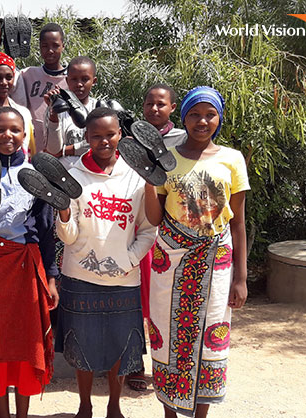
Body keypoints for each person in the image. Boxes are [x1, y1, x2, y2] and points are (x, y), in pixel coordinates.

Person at [143, 86, 250, 418]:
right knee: (168, 334)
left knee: (208, 336)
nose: (202, 121)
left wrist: (241, 279)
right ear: (183, 117)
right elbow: (155, 218)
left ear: (219, 118)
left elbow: (238, 224)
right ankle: (170, 414)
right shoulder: (167, 159)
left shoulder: (231, 159)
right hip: (171, 263)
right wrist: (149, 180)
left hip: (217, 263)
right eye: (194, 114)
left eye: (210, 114)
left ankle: (201, 414)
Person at [55, 107, 156, 418]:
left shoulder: (137, 177)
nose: (103, 141)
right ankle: (84, 405)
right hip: (79, 276)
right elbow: (68, 237)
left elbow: (149, 228)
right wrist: (62, 212)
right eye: (96, 135)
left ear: (120, 136)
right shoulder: (72, 177)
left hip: (124, 279)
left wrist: (129, 259)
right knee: (82, 348)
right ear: (86, 138)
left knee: (120, 347)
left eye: (110, 134)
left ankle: (114, 405)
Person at [0, 107, 59, 418]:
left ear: (25, 135)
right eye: (0, 130)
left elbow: (45, 231)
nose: (8, 136)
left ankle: (22, 415)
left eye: (15, 130)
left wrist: (52, 277)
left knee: (25, 342)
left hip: (25, 268)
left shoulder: (35, 175)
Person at [126, 82, 187, 392]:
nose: (154, 109)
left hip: (169, 231)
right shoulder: (130, 139)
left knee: (163, 303)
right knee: (137, 301)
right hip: (136, 227)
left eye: (160, 104)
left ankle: (163, 364)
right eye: (149, 103)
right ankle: (135, 362)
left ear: (172, 108)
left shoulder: (184, 141)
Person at [20, 22, 68, 151]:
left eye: (55, 46)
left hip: (59, 149)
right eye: (45, 46)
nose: (50, 51)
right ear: (39, 47)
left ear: (63, 46)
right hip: (30, 146)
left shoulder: (71, 80)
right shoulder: (27, 74)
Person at [44, 56, 98, 167]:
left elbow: (100, 145)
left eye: (85, 79)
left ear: (94, 81)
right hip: (64, 177)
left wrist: (65, 151)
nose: (79, 84)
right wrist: (54, 116)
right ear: (67, 80)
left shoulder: (99, 109)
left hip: (94, 176)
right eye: (74, 79)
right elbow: (53, 151)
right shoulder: (57, 109)